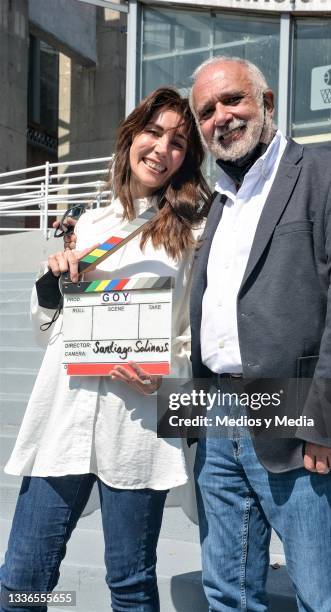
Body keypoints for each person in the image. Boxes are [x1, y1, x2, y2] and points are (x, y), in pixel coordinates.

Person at [188, 57, 331, 611]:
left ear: (267, 102)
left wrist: (330, 423)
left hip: (299, 414)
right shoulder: (219, 204)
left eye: (233, 100)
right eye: (207, 111)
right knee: (227, 593)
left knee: (321, 597)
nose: (221, 117)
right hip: (216, 417)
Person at [0, 87, 210, 612]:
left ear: (188, 158)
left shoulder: (195, 232)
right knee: (21, 581)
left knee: (131, 584)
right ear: (131, 136)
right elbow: (50, 330)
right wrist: (51, 283)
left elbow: (197, 332)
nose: (163, 149)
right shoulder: (89, 224)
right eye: (154, 133)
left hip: (135, 424)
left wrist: (165, 373)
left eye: (179, 142)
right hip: (64, 416)